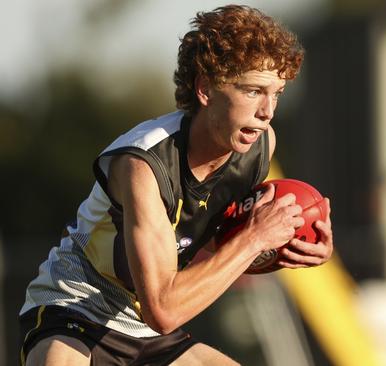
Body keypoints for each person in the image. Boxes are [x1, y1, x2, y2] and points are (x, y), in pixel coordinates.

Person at [19, 5, 334, 365]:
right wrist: (256, 239)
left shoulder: (259, 147)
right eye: (253, 91)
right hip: (77, 309)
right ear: (205, 89)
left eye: (276, 93)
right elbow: (164, 308)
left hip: (146, 328)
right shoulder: (143, 165)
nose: (267, 111)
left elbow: (218, 245)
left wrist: (288, 247)